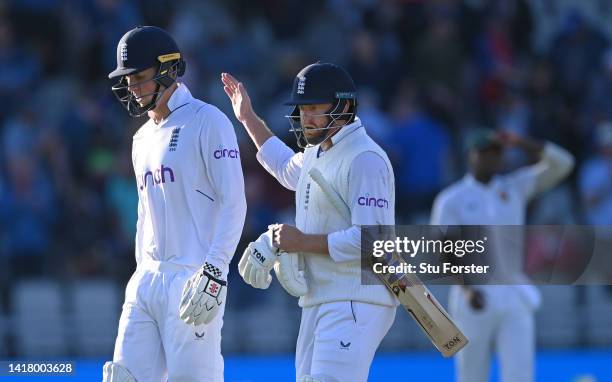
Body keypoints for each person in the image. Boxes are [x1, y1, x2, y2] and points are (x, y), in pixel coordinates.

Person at [209, 63, 397, 382]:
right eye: (301, 109)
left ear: (345, 106)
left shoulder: (365, 159)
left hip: (356, 297)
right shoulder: (318, 153)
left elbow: (373, 241)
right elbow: (284, 166)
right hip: (321, 297)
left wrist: (299, 242)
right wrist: (248, 118)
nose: (305, 117)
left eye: (313, 108)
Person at [103, 26, 246, 382]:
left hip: (193, 276)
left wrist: (214, 271)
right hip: (146, 280)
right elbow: (144, 217)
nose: (133, 88)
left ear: (167, 70)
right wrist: (139, 275)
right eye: (128, 79)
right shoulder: (141, 138)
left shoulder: (208, 120)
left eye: (140, 77)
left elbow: (234, 202)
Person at [431, 129, 574, 382]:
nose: (491, 158)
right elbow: (445, 253)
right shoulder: (451, 199)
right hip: (475, 294)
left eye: (496, 152)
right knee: (471, 373)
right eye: (484, 152)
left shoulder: (515, 187)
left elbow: (564, 164)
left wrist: (521, 142)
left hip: (513, 292)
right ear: (470, 155)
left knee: (519, 373)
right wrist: (467, 289)